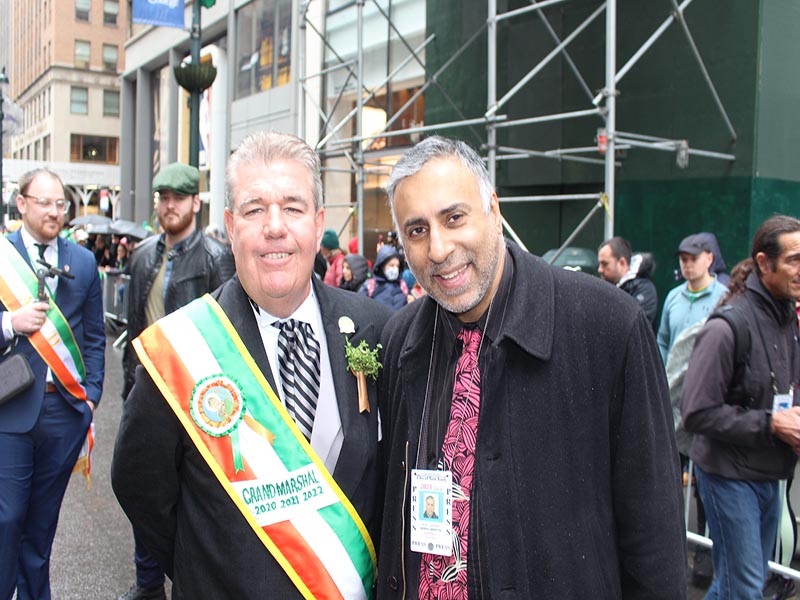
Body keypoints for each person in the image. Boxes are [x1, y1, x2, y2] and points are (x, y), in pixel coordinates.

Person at [377, 136, 686, 598]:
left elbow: (655, 534)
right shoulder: (401, 340)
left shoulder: (606, 327)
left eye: (454, 217)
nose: (438, 249)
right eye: (417, 231)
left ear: (494, 210)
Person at [111, 131, 393, 598]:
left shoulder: (375, 327)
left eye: (293, 207)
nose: (275, 226)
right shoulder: (182, 348)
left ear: (318, 221)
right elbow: (140, 486)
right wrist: (208, 570)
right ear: (230, 224)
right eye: (255, 209)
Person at [117, 161, 235, 600]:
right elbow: (133, 330)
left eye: (177, 198)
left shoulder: (217, 258)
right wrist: (128, 390)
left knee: (190, 498)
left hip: (196, 402)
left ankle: (185, 581)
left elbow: (226, 334)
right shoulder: (143, 255)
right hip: (146, 394)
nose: (169, 206)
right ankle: (148, 585)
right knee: (143, 487)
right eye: (163, 198)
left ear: (195, 203)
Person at [0, 168, 105, 599]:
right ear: (21, 204)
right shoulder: (3, 258)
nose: (54, 212)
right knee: (8, 518)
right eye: (44, 202)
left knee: (42, 525)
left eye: (60, 203)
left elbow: (95, 336)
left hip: (64, 411)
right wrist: (10, 323)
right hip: (11, 410)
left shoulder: (81, 261)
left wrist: (93, 397)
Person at [682, 215, 800, 599]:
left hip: (767, 474)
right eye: (795, 260)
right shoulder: (727, 326)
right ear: (765, 263)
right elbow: (696, 411)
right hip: (728, 477)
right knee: (746, 588)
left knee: (734, 584)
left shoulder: (786, 320)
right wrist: (773, 425)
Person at [657, 233, 728, 363]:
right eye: (683, 259)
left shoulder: (724, 297)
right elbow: (662, 341)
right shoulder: (673, 296)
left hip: (706, 379)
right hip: (671, 380)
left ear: (709, 259)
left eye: (694, 259)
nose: (688, 265)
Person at [597, 236, 658, 327]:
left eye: (605, 264)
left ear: (622, 263)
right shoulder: (606, 288)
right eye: (599, 264)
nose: (600, 270)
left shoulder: (645, 289)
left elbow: (637, 328)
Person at [359, 244, 411, 310]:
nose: (395, 269)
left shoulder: (403, 286)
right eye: (391, 265)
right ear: (382, 266)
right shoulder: (370, 286)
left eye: (397, 266)